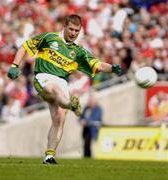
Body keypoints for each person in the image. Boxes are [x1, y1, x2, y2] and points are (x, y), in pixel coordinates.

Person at [7, 14, 121, 164]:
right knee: (53, 90)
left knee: (59, 118)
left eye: (77, 31)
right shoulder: (49, 38)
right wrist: (15, 65)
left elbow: (97, 64)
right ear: (65, 26)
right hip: (43, 77)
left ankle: (49, 156)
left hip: (62, 81)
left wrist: (112, 68)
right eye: (71, 29)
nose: (73, 33)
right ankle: (70, 104)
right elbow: (25, 46)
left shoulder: (78, 51)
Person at [80, 92, 103, 158]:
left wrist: (86, 122)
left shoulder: (98, 109)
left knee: (92, 146)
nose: (89, 103)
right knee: (86, 146)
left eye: (91, 101)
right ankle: (86, 157)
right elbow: (81, 117)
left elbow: (95, 118)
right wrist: (81, 121)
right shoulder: (86, 108)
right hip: (86, 130)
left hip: (94, 131)